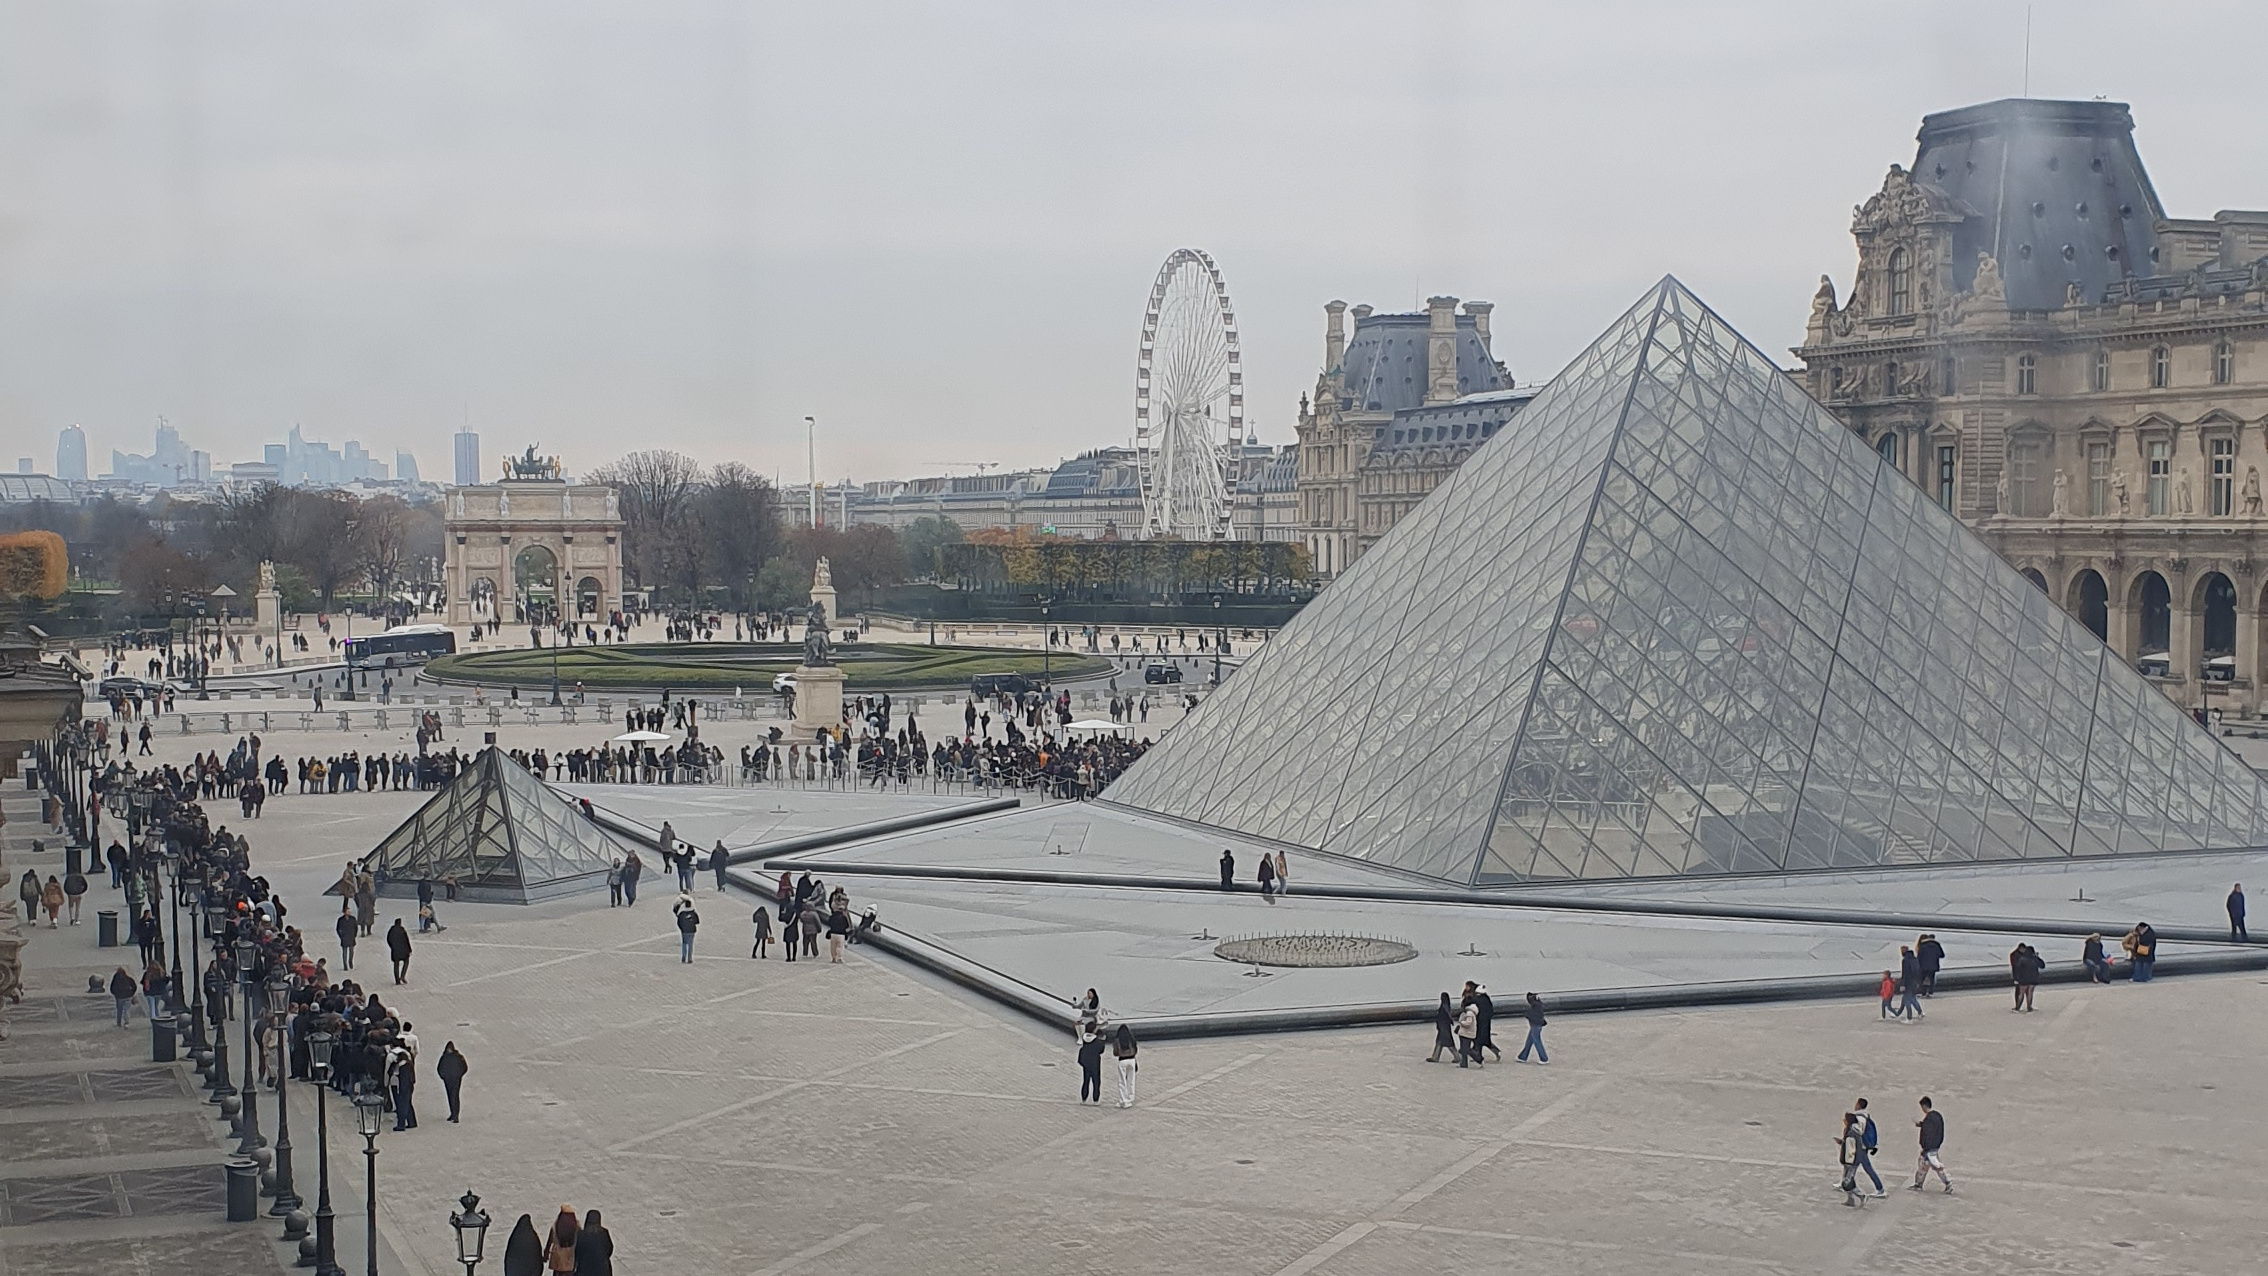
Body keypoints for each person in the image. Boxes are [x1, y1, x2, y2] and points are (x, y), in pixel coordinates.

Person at [1909, 1096, 1953, 1193]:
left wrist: (1925, 1147)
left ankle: (1948, 1183)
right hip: (1935, 1146)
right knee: (1923, 1165)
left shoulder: (1929, 1118)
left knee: (1936, 1166)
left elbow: (1928, 1133)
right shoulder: (1937, 1116)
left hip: (1929, 1148)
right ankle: (1918, 1184)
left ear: (1924, 1106)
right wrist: (1921, 1124)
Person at [1850, 1097, 1885, 1197]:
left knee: (1866, 1168)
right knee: (1853, 1166)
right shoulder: (1865, 1116)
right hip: (1861, 1146)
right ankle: (1846, 1182)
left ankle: (1880, 1189)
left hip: (1861, 1146)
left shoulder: (1860, 1117)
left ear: (1859, 1105)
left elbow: (1860, 1130)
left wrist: (1851, 1126)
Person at [1835, 1111, 1867, 1207]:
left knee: (1847, 1182)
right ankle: (1850, 1199)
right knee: (1848, 1180)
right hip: (1849, 1160)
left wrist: (1849, 1161)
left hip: (1850, 1161)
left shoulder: (1851, 1133)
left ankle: (1861, 1195)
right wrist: (1841, 1142)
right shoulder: (1850, 1131)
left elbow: (1851, 1149)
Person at [573, 1209, 614, 1276]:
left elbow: (577, 1251)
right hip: (603, 1269)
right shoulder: (604, 1232)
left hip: (584, 1269)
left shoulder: (581, 1234)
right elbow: (609, 1248)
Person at [437, 1041, 468, 1122]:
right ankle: (453, 1113)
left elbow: (440, 1068)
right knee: (451, 1096)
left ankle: (455, 1115)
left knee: (454, 1096)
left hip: (454, 1079)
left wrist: (458, 1075)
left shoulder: (447, 1057)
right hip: (450, 1079)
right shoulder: (458, 1057)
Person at [1076, 1025, 1107, 1103]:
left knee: (1085, 1081)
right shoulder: (1097, 1041)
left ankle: (1084, 1099)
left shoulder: (1084, 1038)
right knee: (1096, 1081)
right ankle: (1095, 1099)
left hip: (1086, 1063)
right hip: (1095, 1063)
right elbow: (1101, 1050)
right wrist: (1103, 1041)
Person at [1111, 1023, 1139, 1108]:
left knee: (1122, 1081)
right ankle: (1130, 1098)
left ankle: (1123, 1100)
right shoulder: (1132, 1039)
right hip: (1132, 1060)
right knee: (1131, 1080)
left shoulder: (1117, 1040)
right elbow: (1136, 1050)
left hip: (1122, 1060)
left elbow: (1115, 1053)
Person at [544, 1206, 580, 1274]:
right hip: (571, 1260)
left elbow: (549, 1242)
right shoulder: (576, 1226)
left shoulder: (555, 1225)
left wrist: (545, 1256)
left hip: (557, 1261)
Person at [1517, 991, 1549, 1064]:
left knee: (1537, 1041)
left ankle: (1544, 1058)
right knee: (1529, 1041)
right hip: (1537, 1025)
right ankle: (1523, 1057)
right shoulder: (1538, 1006)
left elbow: (1531, 1015)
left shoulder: (1534, 1008)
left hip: (1535, 1026)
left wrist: (1527, 1014)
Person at [1472, 984, 1501, 1062]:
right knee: (1483, 1041)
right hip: (1486, 1023)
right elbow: (1491, 1011)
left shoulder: (1478, 1000)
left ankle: (1478, 1056)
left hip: (1480, 1023)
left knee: (1479, 1041)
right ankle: (1479, 1055)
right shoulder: (1487, 999)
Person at [1427, 992, 1457, 1063]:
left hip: (1444, 1028)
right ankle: (1435, 1057)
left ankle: (1457, 1057)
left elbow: (1445, 1016)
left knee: (1448, 1043)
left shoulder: (1444, 1006)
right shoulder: (1446, 1006)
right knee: (1439, 1042)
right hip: (1443, 1027)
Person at [1453, 996, 1479, 1068]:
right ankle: (1463, 1063)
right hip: (1465, 1033)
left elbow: (1468, 1023)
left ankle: (1478, 1058)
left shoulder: (1469, 1013)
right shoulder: (1468, 1012)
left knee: (1466, 1049)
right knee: (1464, 1049)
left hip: (1467, 1033)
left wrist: (1461, 1022)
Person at [387, 918, 413, 985]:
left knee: (396, 965)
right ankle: (402, 976)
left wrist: (392, 947)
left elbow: (388, 939)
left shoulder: (391, 930)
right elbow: (407, 940)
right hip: (404, 950)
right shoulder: (402, 930)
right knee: (406, 962)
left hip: (395, 951)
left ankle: (397, 980)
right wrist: (409, 949)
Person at [674, 895, 699, 962]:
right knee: (690, 944)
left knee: (684, 943)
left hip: (684, 931)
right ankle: (690, 958)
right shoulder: (693, 913)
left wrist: (682, 928)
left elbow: (679, 922)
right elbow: (697, 922)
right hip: (691, 931)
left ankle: (683, 957)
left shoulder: (681, 914)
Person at [336, 905, 358, 970]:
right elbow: (338, 929)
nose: (349, 912)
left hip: (351, 937)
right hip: (344, 937)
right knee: (344, 952)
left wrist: (354, 935)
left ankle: (350, 961)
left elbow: (356, 928)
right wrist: (341, 936)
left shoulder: (353, 919)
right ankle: (345, 965)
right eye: (348, 911)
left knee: (351, 952)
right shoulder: (340, 920)